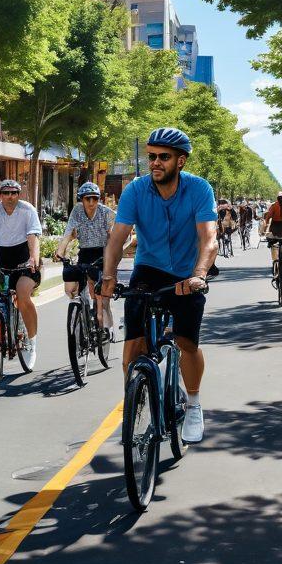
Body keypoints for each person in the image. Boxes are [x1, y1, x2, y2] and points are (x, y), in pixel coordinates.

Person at [100, 128, 217, 444]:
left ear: (181, 160)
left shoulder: (199, 189)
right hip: (148, 270)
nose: (155, 162)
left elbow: (208, 239)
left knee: (186, 343)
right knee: (131, 354)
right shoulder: (136, 190)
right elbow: (117, 237)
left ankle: (192, 404)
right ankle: (141, 400)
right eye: (151, 156)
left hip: (186, 274)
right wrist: (108, 277)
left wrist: (199, 275)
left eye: (163, 157)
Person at [0, 178, 43, 369]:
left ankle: (31, 341)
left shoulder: (27, 209)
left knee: (22, 293)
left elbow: (33, 236)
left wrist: (33, 258)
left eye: (13, 193)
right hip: (3, 259)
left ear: (19, 195)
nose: (10, 197)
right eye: (5, 193)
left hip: (25, 259)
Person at [53, 181, 117, 339]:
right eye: (87, 199)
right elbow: (68, 232)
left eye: (95, 199)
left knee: (102, 296)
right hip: (85, 252)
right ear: (81, 199)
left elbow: (115, 236)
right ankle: (83, 312)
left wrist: (112, 256)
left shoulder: (106, 213)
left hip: (103, 253)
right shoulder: (77, 211)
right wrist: (60, 252)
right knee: (72, 288)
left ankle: (107, 327)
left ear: (98, 199)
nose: (91, 202)